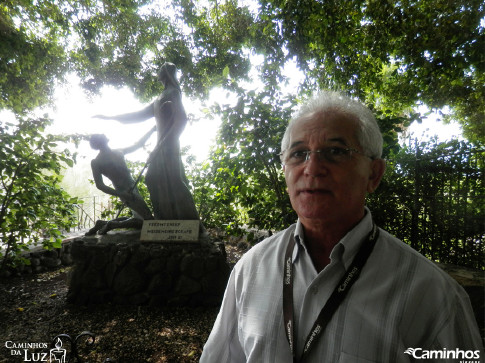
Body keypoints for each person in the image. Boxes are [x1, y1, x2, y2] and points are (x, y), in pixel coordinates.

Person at [200, 91, 483, 362]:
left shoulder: (433, 295)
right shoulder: (250, 271)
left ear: (374, 174)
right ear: (285, 170)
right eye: (299, 154)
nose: (312, 168)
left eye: (335, 151)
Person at [93, 62, 200, 222]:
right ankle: (163, 220)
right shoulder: (159, 98)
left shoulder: (173, 93)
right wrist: (111, 117)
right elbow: (137, 115)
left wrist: (166, 141)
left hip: (168, 144)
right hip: (161, 145)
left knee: (172, 180)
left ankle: (189, 221)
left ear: (165, 73)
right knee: (153, 178)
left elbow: (182, 119)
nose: (157, 72)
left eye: (160, 69)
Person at [86, 130, 154, 235]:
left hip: (133, 189)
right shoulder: (97, 162)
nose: (104, 134)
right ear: (98, 143)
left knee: (141, 220)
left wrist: (152, 130)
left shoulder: (119, 151)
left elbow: (139, 144)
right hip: (126, 193)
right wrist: (121, 194)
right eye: (100, 135)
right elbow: (100, 185)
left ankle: (103, 223)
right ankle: (112, 225)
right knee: (149, 221)